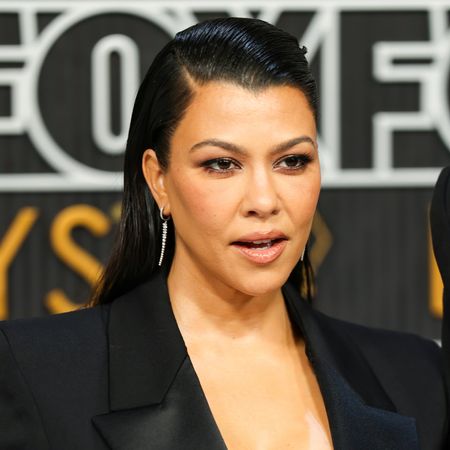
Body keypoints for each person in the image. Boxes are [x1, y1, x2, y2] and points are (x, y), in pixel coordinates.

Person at [0, 17, 447, 450]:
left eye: (292, 161)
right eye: (221, 164)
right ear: (158, 179)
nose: (264, 200)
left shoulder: (416, 376)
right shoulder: (35, 372)